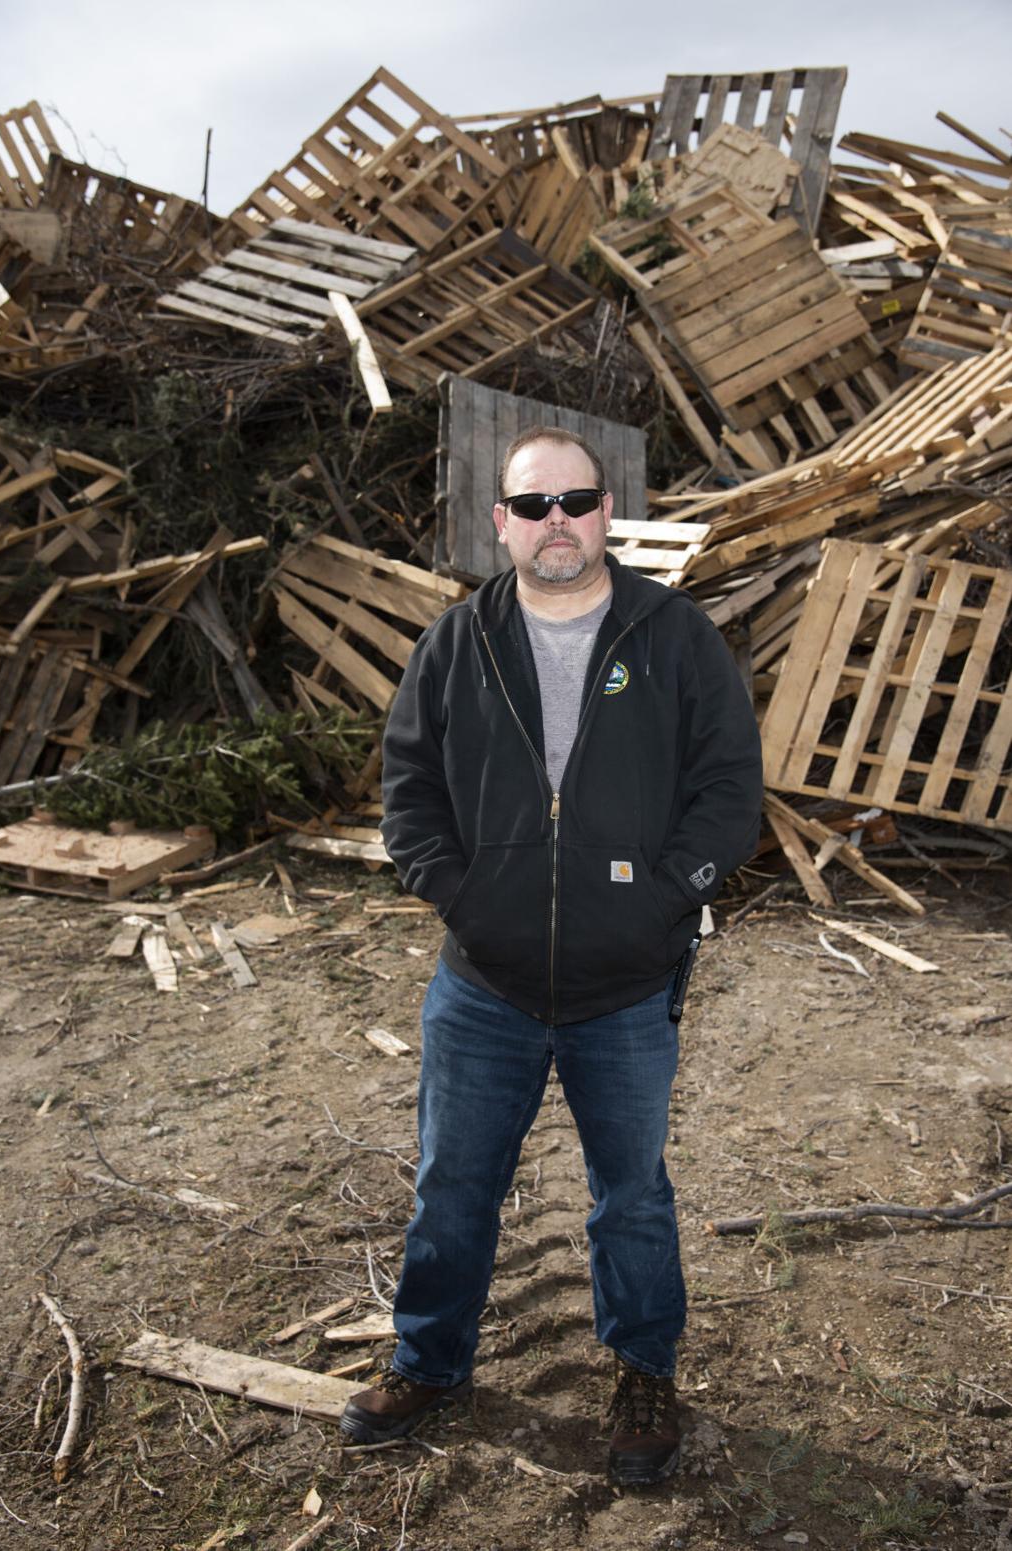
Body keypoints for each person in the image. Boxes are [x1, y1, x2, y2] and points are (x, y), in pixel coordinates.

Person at [339, 426, 762, 1483]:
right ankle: (427, 1363)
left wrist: (668, 900)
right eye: (532, 506)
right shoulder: (458, 641)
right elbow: (409, 789)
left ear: (607, 512)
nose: (555, 522)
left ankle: (643, 1374)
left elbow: (729, 792)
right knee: (453, 1186)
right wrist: (462, 893)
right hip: (485, 983)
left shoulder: (674, 635)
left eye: (574, 501)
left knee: (632, 1196)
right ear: (501, 524)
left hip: (627, 985)